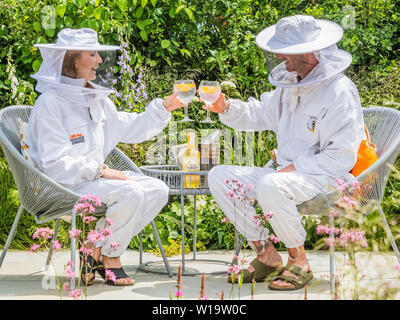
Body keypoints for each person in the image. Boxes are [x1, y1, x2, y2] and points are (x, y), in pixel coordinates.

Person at [206, 15, 365, 290]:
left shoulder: (339, 91)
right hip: (284, 176)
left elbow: (341, 156)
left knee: (271, 183)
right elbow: (259, 113)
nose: (280, 56)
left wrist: (295, 168)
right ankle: (266, 254)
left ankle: (298, 260)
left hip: (325, 177)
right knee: (220, 176)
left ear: (312, 52)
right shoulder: (291, 85)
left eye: (287, 51)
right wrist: (226, 107)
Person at [28, 28, 183, 286]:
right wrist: (98, 170)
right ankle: (111, 257)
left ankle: (92, 247)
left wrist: (164, 106)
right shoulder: (50, 103)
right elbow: (53, 163)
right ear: (73, 60)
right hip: (64, 184)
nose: (100, 61)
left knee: (157, 189)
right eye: (93, 54)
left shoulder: (96, 100)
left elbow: (131, 126)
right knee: (131, 193)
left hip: (94, 181)